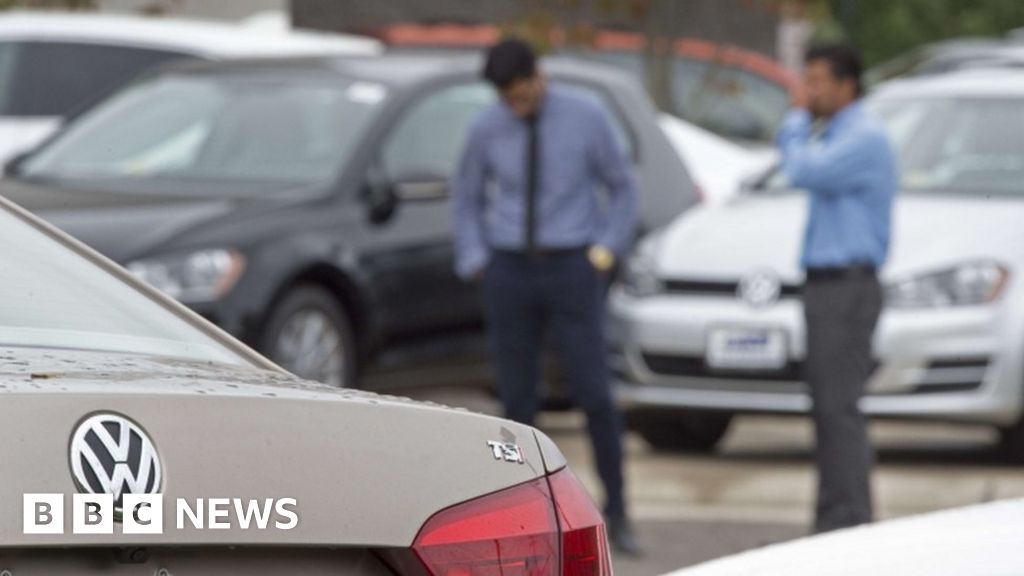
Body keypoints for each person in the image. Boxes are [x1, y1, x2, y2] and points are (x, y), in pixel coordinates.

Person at [452, 38, 641, 555]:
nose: (516, 106)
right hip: (509, 271)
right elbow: (466, 196)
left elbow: (622, 188)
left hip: (571, 267)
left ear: (538, 76)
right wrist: (475, 260)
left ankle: (618, 511)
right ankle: (522, 522)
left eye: (521, 94)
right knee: (516, 406)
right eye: (506, 99)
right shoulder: (486, 128)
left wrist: (605, 251)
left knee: (595, 395)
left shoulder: (586, 115)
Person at [776, 43, 897, 533]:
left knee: (838, 407)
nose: (808, 91)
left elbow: (803, 170)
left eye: (817, 80)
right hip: (829, 286)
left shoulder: (862, 137)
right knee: (827, 406)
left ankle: (848, 521)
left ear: (847, 85)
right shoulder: (839, 134)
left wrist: (794, 120)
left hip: (846, 288)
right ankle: (833, 520)